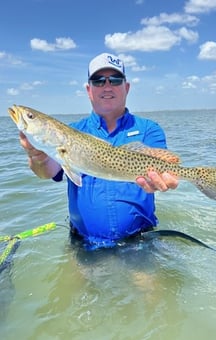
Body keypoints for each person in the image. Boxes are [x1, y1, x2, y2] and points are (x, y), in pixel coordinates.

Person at [19, 52, 179, 250]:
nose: (107, 86)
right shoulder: (72, 132)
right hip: (83, 243)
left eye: (115, 79)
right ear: (88, 90)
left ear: (126, 87)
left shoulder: (149, 129)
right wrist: (37, 155)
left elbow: (166, 167)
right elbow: (47, 172)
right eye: (98, 81)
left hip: (139, 241)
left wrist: (161, 180)